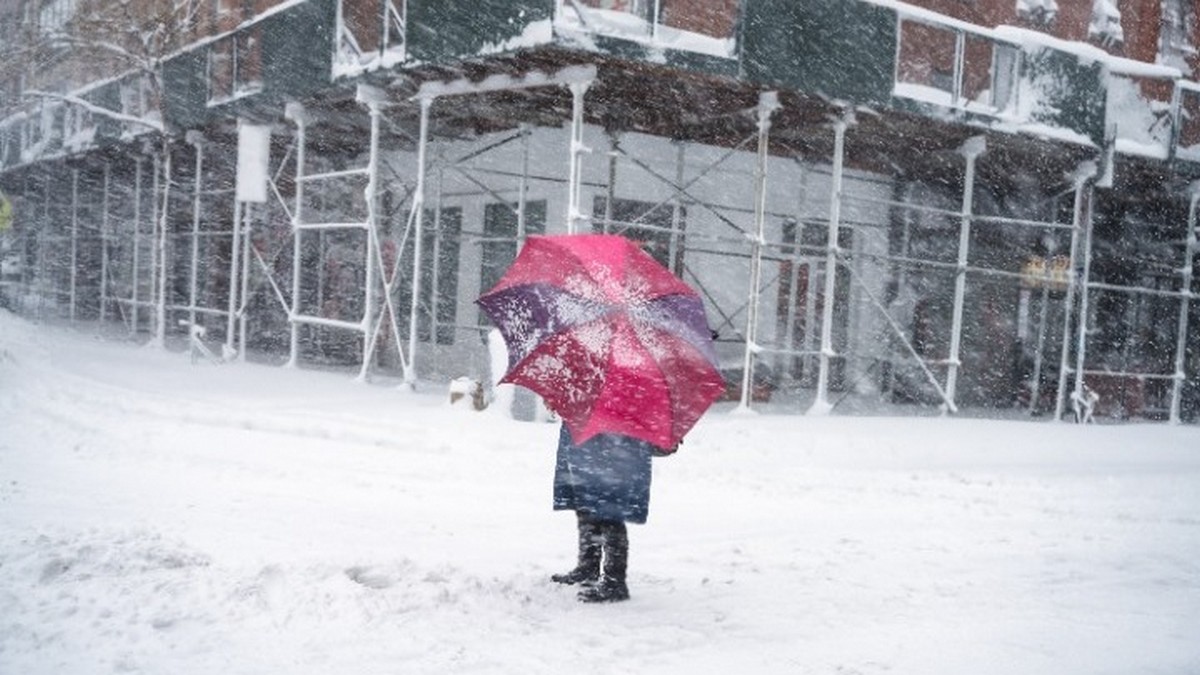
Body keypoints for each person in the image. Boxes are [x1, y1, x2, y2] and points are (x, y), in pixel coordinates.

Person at [550, 424, 669, 603]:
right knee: (586, 506)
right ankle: (588, 567)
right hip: (587, 440)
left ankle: (615, 582)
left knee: (610, 513)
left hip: (612, 444)